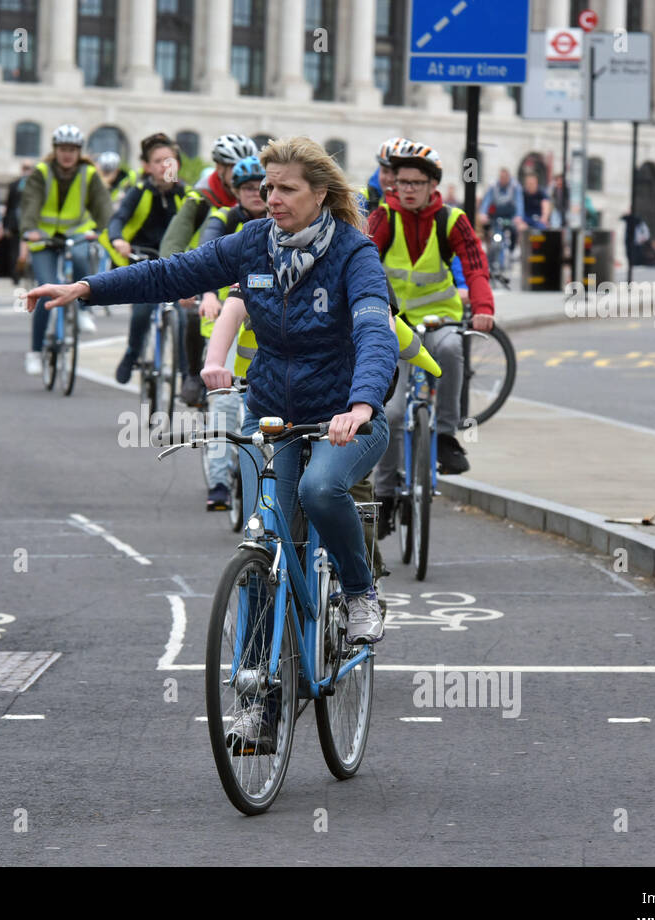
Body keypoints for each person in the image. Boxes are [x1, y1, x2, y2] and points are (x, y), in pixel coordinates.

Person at [26, 136, 397, 656]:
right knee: (263, 553)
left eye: (287, 189)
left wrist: (361, 404)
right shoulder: (253, 243)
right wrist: (86, 288)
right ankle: (257, 700)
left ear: (320, 194)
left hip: (346, 417)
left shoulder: (353, 252)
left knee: (319, 490)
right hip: (274, 416)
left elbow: (374, 332)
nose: (272, 198)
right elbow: (169, 272)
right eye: (268, 187)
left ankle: (360, 593)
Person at [367, 139, 495, 484]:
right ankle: (388, 481)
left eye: (416, 183)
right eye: (402, 182)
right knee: (392, 412)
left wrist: (483, 308)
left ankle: (445, 436)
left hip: (440, 320)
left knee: (453, 348)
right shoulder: (383, 218)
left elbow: (475, 268)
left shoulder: (452, 220)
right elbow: (360, 265)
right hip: (393, 326)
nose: (407, 190)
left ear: (433, 185)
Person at [193, 154, 268, 511]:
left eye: (262, 187)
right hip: (226, 316)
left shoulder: (282, 222)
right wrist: (207, 294)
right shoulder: (224, 219)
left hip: (266, 321)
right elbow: (205, 257)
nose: (257, 194)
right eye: (248, 188)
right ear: (236, 192)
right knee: (223, 400)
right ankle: (220, 482)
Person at [160, 133, 258, 404]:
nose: (243, 170)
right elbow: (174, 240)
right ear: (220, 168)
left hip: (239, 290)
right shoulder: (201, 199)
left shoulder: (266, 206)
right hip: (199, 273)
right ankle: (191, 375)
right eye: (235, 165)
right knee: (190, 315)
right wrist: (179, 280)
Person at [18, 124, 112, 374]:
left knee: (82, 257)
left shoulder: (89, 174)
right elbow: (30, 203)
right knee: (45, 287)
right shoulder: (41, 172)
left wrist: (104, 229)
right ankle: (35, 352)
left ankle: (83, 311)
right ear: (55, 150)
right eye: (62, 149)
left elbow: (103, 205)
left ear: (79, 151)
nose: (67, 154)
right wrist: (29, 229)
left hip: (77, 234)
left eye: (72, 149)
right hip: (44, 237)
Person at [107, 132, 189, 385]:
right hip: (143, 258)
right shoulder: (139, 191)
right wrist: (118, 238)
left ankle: (188, 373)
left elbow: (201, 226)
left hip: (175, 262)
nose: (165, 166)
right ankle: (132, 353)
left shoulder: (185, 194)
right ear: (147, 167)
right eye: (158, 161)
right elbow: (119, 218)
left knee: (183, 316)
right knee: (142, 310)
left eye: (170, 160)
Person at [3, 160, 34, 282]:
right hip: (16, 222)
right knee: (14, 250)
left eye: (29, 168)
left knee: (28, 249)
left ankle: (28, 272)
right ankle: (15, 275)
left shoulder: (36, 186)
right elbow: (9, 205)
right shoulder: (14, 185)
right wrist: (6, 225)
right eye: (25, 167)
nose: (27, 170)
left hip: (31, 223)